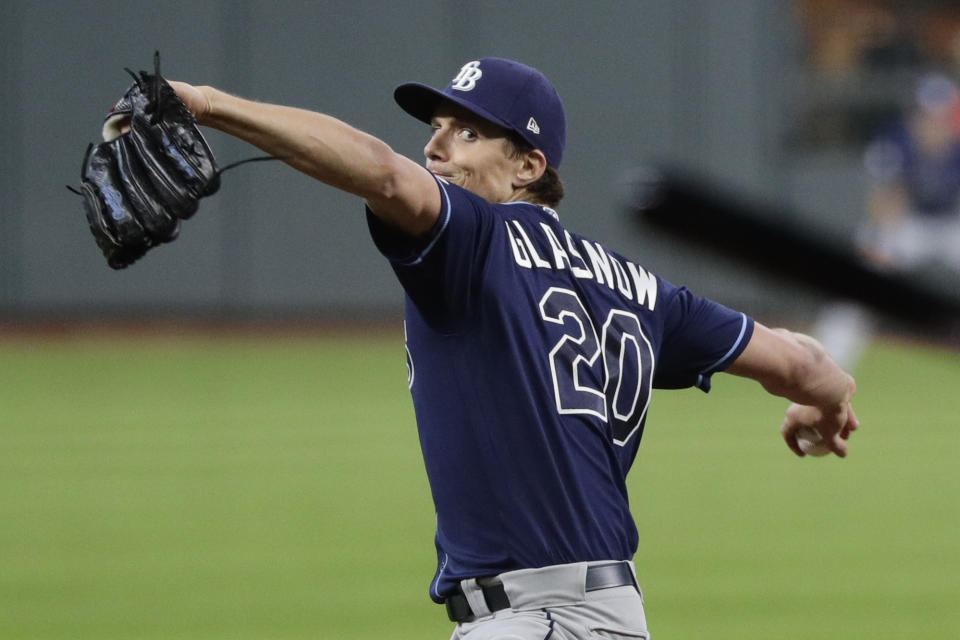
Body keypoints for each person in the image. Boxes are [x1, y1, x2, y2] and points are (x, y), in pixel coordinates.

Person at [167, 58, 858, 639]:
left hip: (534, 620)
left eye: (467, 132)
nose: (436, 148)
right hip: (615, 617)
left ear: (528, 166)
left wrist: (204, 103)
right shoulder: (643, 291)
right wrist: (823, 409)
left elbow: (380, 171)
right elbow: (804, 365)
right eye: (435, 130)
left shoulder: (473, 239)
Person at [815, 72, 960, 369]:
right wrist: (885, 247)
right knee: (863, 274)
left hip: (951, 224)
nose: (934, 123)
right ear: (915, 116)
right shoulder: (897, 141)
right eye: (928, 115)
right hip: (907, 223)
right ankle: (824, 363)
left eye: (942, 117)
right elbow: (883, 204)